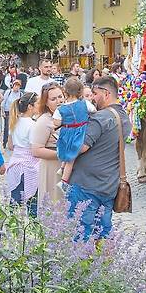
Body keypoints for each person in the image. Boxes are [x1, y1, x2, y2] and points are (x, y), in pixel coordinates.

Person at [67, 76, 132, 239]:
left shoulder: (101, 118)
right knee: (102, 237)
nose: (92, 98)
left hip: (86, 185)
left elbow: (79, 147)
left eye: (95, 93)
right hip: (108, 186)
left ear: (106, 93)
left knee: (80, 236)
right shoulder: (124, 117)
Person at [53, 78, 97, 190]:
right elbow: (94, 111)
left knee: (66, 152)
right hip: (80, 133)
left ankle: (61, 171)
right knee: (71, 159)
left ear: (65, 92)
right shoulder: (84, 103)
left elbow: (56, 122)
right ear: (80, 91)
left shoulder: (61, 109)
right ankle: (63, 181)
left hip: (67, 132)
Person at [31, 82, 65, 205]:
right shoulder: (44, 120)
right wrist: (62, 154)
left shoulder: (66, 115)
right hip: (51, 166)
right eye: (53, 99)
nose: (58, 101)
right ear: (46, 102)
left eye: (60, 97)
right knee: (53, 203)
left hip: (66, 168)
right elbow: (36, 150)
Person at [5, 91, 39, 212]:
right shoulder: (33, 125)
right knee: (32, 202)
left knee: (14, 201)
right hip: (29, 164)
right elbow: (34, 147)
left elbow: (10, 145)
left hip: (15, 163)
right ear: (30, 106)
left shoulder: (15, 121)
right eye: (38, 103)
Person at [1, 79, 23, 147]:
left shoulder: (20, 94)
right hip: (8, 111)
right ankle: (5, 142)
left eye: (18, 86)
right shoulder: (8, 92)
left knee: (15, 127)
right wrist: (2, 111)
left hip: (16, 112)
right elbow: (3, 102)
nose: (17, 87)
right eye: (15, 85)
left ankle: (14, 142)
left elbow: (21, 104)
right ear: (13, 85)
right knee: (7, 127)